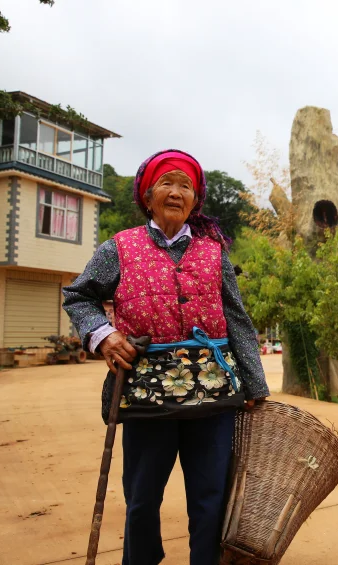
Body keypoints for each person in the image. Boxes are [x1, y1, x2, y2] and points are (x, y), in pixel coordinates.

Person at [63, 149, 269, 565]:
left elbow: (237, 319)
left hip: (213, 396)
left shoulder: (214, 252)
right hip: (145, 396)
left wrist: (254, 384)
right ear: (147, 194)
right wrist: (103, 336)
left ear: (196, 200)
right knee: (141, 498)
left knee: (210, 498)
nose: (176, 193)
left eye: (186, 186)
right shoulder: (119, 248)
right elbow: (78, 295)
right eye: (167, 183)